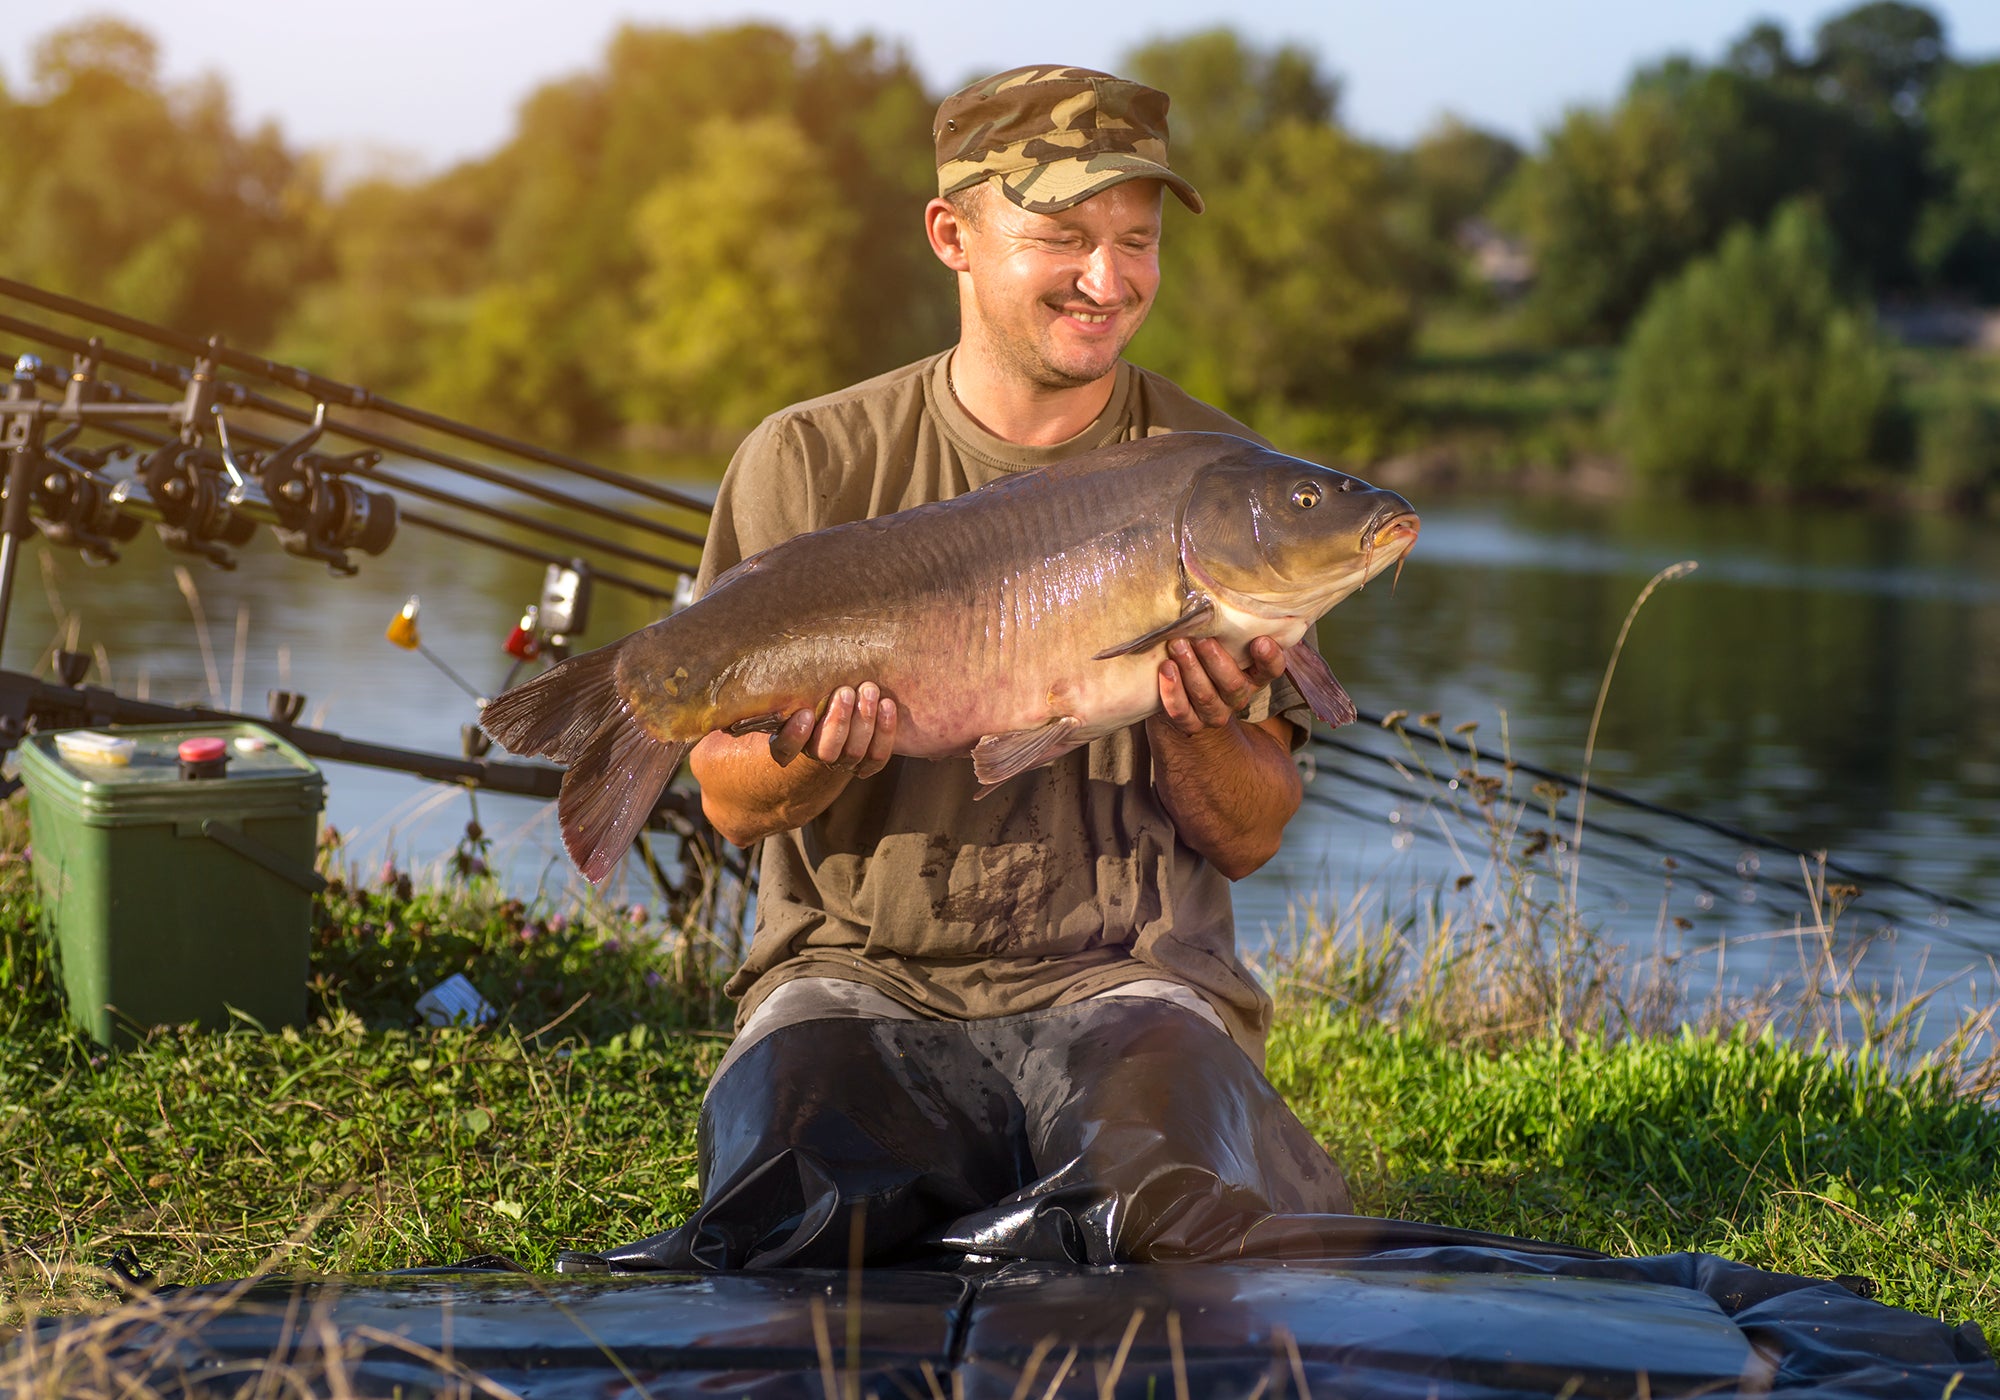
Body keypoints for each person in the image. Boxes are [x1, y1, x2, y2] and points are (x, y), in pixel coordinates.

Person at [574, 64, 1354, 1274]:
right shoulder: (809, 460)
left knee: (1156, 1234)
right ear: (953, 234)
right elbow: (730, 801)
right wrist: (807, 752)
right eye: (1062, 236)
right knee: (799, 1227)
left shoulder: (1226, 489)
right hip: (854, 981)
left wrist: (1194, 722)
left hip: (1130, 982)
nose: (1108, 279)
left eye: (1134, 240)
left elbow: (1251, 832)